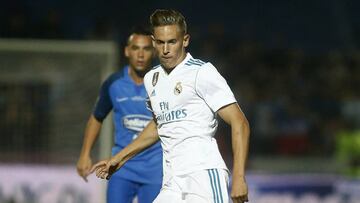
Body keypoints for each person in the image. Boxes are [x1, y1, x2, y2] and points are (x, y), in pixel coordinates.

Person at [91, 9, 250, 203]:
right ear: (153, 41)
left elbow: (239, 122)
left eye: (172, 42)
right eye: (160, 42)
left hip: (203, 174)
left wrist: (239, 177)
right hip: (172, 181)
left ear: (185, 40)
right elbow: (159, 125)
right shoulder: (152, 78)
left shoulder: (202, 72)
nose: (166, 49)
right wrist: (119, 158)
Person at [76, 25, 163, 203]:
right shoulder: (114, 83)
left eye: (146, 49)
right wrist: (85, 153)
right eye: (135, 48)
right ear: (126, 51)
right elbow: (96, 117)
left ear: (153, 52)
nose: (140, 54)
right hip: (121, 168)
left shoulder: (163, 83)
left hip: (155, 171)